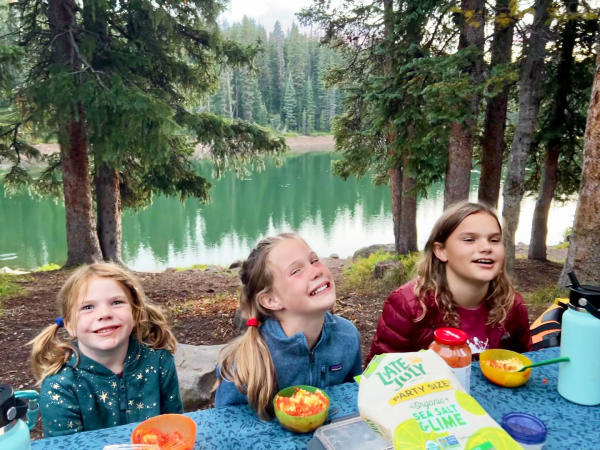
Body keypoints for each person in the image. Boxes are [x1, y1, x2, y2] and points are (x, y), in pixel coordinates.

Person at [215, 233, 362, 419]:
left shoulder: (347, 336)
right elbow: (225, 425)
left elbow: (354, 400)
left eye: (314, 260)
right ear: (271, 300)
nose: (316, 271)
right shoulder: (244, 363)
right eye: (296, 271)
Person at [30, 263, 183, 437]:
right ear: (70, 325)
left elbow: (175, 430)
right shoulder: (60, 386)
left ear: (135, 315)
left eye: (116, 302)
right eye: (88, 307)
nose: (104, 313)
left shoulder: (160, 362)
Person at [369, 201, 532, 361]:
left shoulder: (512, 305)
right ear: (441, 251)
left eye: (495, 240)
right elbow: (379, 374)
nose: (486, 247)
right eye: (469, 239)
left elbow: (522, 362)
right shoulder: (407, 305)